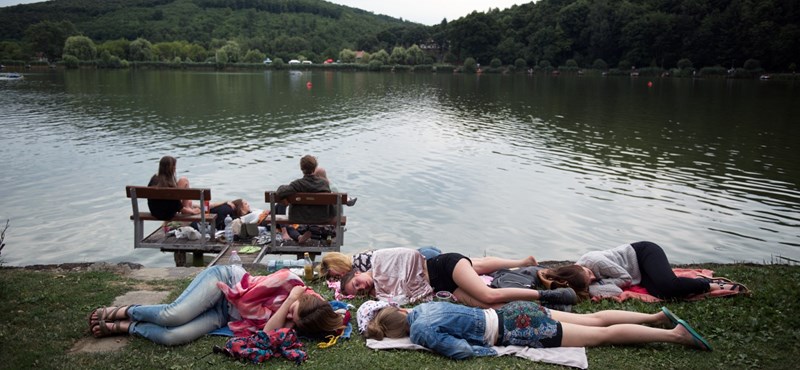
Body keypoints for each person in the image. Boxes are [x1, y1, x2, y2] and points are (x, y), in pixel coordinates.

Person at [360, 300, 712, 360]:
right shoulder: (423, 307)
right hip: (514, 311)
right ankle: (653, 317)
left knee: (601, 337)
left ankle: (674, 335)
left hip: (519, 328)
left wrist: (493, 351)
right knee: (594, 320)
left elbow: (462, 351)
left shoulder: (420, 331)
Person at [87, 266, 343, 346]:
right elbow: (245, 302)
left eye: (292, 319)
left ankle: (127, 327)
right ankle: (126, 311)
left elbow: (264, 335)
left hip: (225, 316)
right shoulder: (290, 281)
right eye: (292, 311)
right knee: (174, 315)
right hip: (226, 284)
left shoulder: (305, 316)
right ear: (301, 298)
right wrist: (288, 302)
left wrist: (289, 314)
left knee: (172, 336)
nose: (288, 316)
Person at [340, 248, 578, 308]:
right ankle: (546, 306)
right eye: (358, 292)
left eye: (356, 284)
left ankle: (548, 294)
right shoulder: (379, 293)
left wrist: (395, 285)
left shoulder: (380, 259)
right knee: (491, 306)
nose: (361, 289)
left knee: (487, 292)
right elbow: (405, 301)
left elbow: (411, 255)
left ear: (358, 273)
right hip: (441, 288)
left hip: (444, 266)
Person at [574, 241, 748, 300]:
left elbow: (625, 279)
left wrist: (602, 282)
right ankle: (705, 285)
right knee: (664, 294)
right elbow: (617, 290)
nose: (593, 276)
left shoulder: (593, 260)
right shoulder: (583, 280)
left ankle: (709, 284)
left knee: (669, 285)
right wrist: (593, 288)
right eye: (590, 281)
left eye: (589, 273)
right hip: (639, 274)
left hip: (643, 254)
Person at [320, 248, 538, 280]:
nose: (335, 276)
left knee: (475, 267)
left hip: (421, 260)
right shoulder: (360, 256)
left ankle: (519, 263)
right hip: (420, 252)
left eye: (332, 273)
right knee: (475, 263)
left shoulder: (359, 266)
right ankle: (520, 262)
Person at [147, 155, 200, 220]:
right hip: (168, 215)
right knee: (184, 181)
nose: (175, 168)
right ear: (172, 168)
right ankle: (188, 207)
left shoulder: (154, 179)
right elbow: (178, 207)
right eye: (174, 166)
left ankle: (189, 206)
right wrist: (192, 212)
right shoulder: (169, 186)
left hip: (155, 213)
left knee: (183, 182)